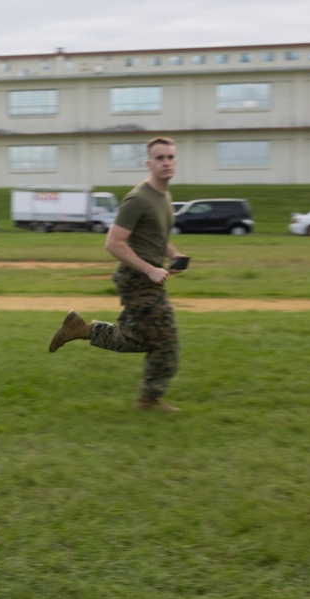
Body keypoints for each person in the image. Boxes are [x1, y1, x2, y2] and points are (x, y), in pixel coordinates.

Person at [48, 136, 187, 412]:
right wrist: (150, 270)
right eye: (160, 158)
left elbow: (155, 236)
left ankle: (81, 329)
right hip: (137, 279)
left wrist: (173, 255)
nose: (166, 163)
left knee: (142, 338)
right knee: (166, 342)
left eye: (170, 157)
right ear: (149, 163)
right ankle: (149, 399)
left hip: (147, 277)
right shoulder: (139, 199)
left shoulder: (164, 196)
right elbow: (113, 243)